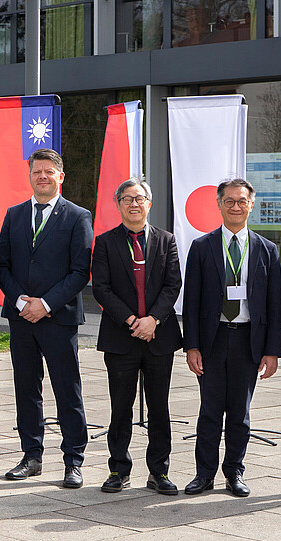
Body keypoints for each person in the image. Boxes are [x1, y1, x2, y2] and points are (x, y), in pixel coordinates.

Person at [183, 178, 281, 498]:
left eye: (242, 201)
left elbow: (274, 304)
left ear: (251, 205)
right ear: (219, 204)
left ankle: (235, 472)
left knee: (240, 412)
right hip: (212, 342)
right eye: (229, 201)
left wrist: (272, 351)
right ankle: (204, 474)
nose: (236, 206)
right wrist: (192, 346)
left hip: (247, 341)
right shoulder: (201, 247)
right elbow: (192, 301)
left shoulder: (267, 250)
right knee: (210, 410)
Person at [0, 148, 93, 489]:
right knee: (27, 389)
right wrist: (22, 301)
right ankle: (31, 456)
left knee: (67, 390)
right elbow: (2, 265)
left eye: (49, 172)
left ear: (60, 176)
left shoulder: (78, 216)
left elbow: (81, 271)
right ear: (30, 176)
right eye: (37, 171)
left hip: (59, 318)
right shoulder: (14, 215)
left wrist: (47, 304)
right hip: (22, 317)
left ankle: (73, 460)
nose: (42, 177)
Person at [92, 178, 183, 495]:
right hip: (121, 337)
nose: (134, 204)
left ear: (149, 203)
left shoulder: (166, 240)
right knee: (121, 407)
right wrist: (133, 320)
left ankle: (159, 471)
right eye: (127, 198)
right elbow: (101, 287)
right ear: (118, 204)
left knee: (160, 408)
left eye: (140, 198)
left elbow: (173, 285)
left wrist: (153, 319)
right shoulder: (104, 242)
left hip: (159, 337)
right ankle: (118, 469)